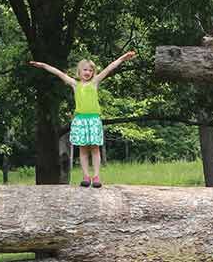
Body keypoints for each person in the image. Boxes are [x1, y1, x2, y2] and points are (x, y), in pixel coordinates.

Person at [27, 50, 136, 187]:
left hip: (93, 120)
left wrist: (123, 58)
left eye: (90, 70)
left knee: (95, 149)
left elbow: (110, 67)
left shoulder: (95, 82)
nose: (88, 72)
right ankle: (86, 176)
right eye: (85, 69)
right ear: (79, 72)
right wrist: (43, 65)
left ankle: (96, 177)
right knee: (83, 150)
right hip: (80, 120)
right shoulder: (75, 84)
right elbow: (58, 73)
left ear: (93, 73)